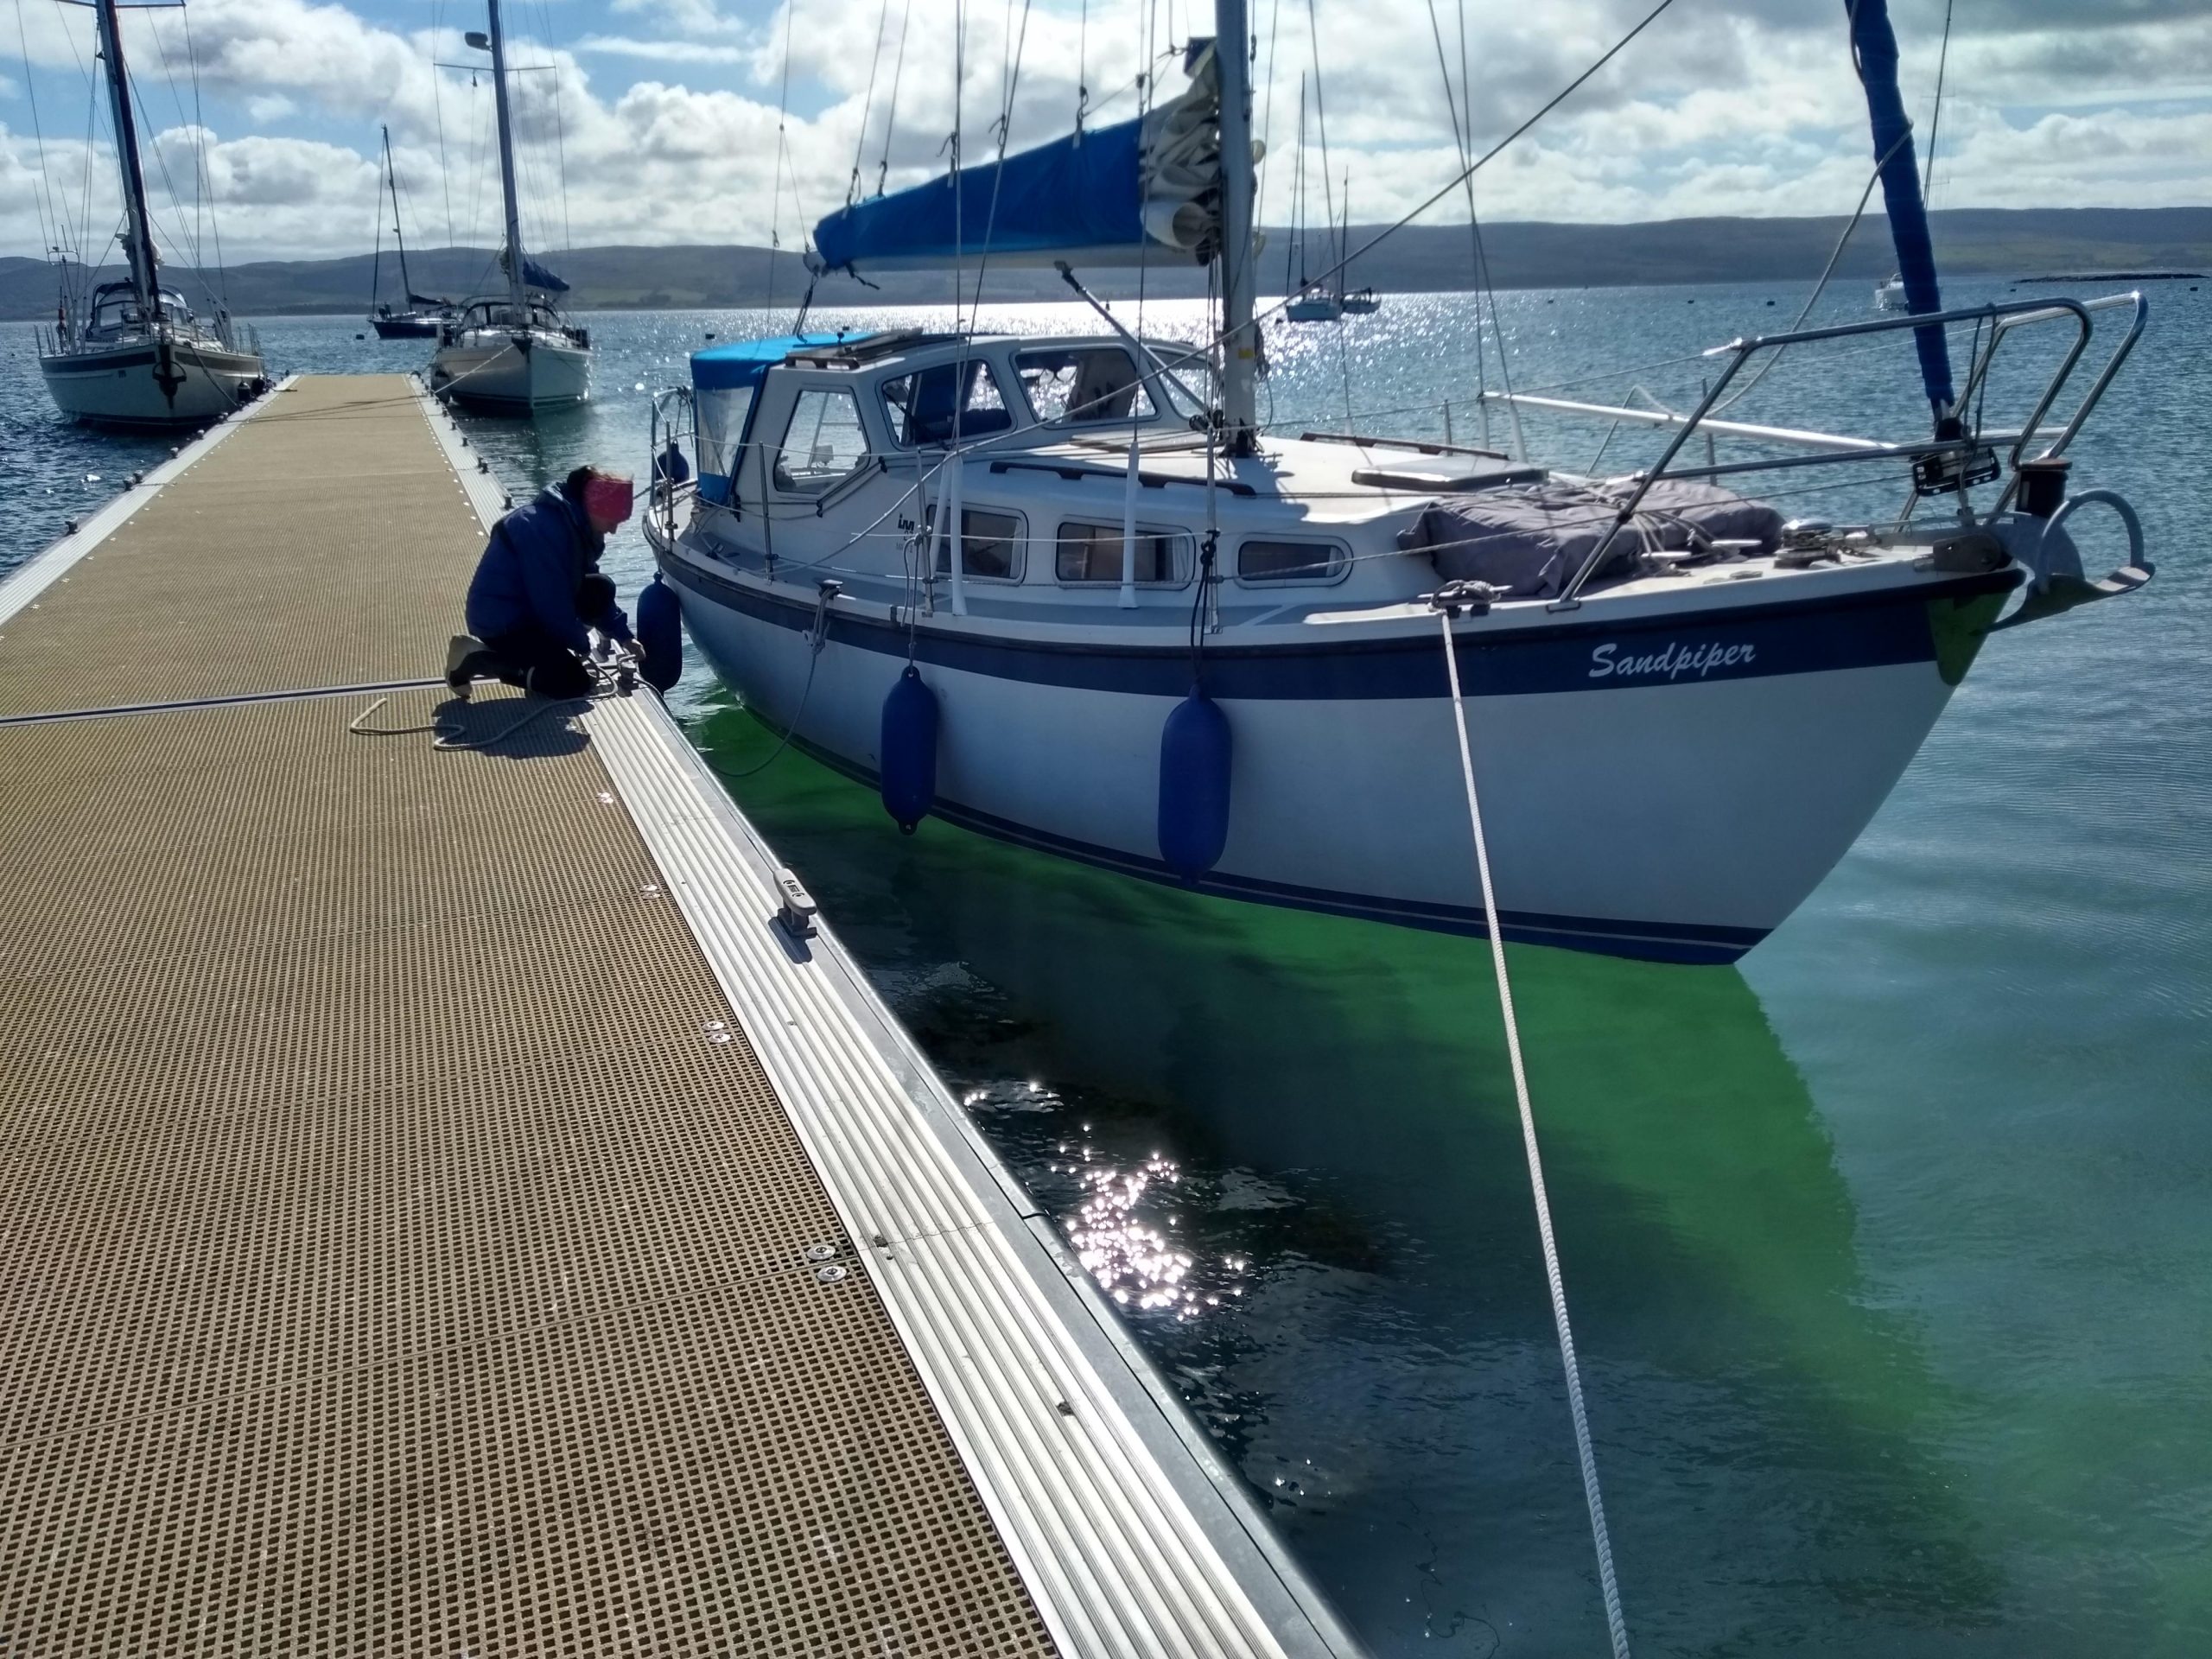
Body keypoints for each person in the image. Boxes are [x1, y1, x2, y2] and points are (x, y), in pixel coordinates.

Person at [462, 465, 643, 697]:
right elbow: (551, 602)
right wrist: (581, 645)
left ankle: (547, 658)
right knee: (572, 683)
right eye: (612, 521)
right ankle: (475, 658)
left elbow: (587, 586)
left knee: (600, 587)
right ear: (596, 507)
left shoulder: (575, 525)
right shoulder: (541, 530)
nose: (614, 530)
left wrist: (624, 636)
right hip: (501, 622)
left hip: (527, 612)